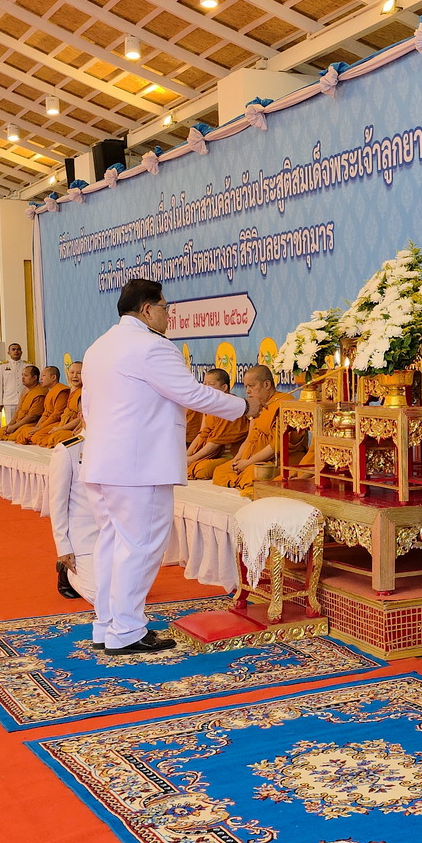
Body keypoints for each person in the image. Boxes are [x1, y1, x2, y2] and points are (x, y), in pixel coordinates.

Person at [81, 278, 247, 655]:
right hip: (140, 467)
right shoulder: (152, 347)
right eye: (166, 308)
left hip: (103, 461)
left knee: (111, 543)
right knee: (141, 546)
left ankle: (107, 624)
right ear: (146, 309)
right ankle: (126, 631)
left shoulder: (98, 347)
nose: (169, 315)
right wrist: (243, 408)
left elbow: (87, 407)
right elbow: (189, 392)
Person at [210, 364, 303, 490]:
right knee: (220, 471)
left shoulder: (285, 404)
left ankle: (244, 481)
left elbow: (276, 445)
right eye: (246, 387)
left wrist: (248, 462)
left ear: (266, 385)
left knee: (251, 474)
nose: (247, 391)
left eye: (251, 386)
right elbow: (250, 438)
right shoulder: (257, 407)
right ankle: (242, 480)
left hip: (277, 461)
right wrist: (238, 459)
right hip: (253, 459)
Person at [47, 434, 100, 604]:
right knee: (98, 596)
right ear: (80, 415)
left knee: (133, 592)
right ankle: (67, 573)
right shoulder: (68, 450)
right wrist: (63, 546)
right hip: (85, 536)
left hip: (115, 533)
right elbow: (58, 502)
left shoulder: (119, 442)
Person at [185, 368, 247, 478]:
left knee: (201, 470)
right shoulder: (209, 406)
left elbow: (216, 441)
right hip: (209, 454)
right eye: (204, 384)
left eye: (211, 384)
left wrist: (193, 459)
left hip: (227, 455)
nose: (206, 388)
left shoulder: (231, 406)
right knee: (183, 464)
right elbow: (202, 433)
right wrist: (187, 456)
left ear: (224, 388)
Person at [32, 361, 85, 447]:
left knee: (55, 437)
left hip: (73, 428)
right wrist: (39, 426)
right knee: (37, 436)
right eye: (72, 372)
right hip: (63, 423)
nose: (75, 376)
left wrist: (60, 428)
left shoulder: (83, 393)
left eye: (79, 373)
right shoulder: (72, 389)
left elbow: (81, 419)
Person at [0, 365, 46, 441]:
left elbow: (32, 416)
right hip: (20, 421)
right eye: (22, 375)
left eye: (26, 375)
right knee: (0, 432)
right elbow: (18, 409)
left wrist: (14, 427)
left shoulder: (40, 392)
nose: (22, 378)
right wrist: (10, 424)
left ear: (34, 377)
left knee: (16, 435)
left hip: (30, 423)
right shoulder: (25, 390)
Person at [24, 366, 72, 444]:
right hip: (48, 422)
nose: (40, 379)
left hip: (58, 422)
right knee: (26, 432)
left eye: (43, 376)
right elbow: (46, 413)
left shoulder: (61, 391)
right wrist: (38, 426)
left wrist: (41, 427)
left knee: (37, 436)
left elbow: (57, 415)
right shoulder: (50, 391)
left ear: (53, 377)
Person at [0, 344, 31, 425]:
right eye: (13, 349)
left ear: (21, 352)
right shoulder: (3, 366)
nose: (16, 351)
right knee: (10, 424)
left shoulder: (28, 366)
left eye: (18, 349)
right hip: (9, 401)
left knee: (24, 424)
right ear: (8, 352)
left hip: (25, 400)